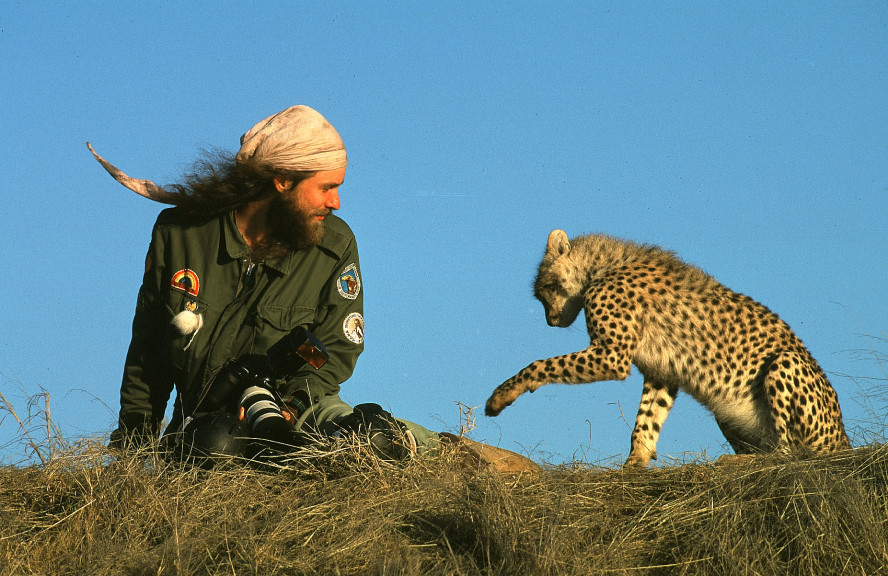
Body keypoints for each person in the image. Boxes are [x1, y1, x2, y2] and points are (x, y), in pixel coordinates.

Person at [90, 105, 538, 472]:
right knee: (214, 450)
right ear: (282, 180)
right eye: (326, 187)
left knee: (372, 440)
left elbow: (339, 349)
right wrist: (132, 449)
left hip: (299, 409)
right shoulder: (179, 234)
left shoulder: (335, 246)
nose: (335, 202)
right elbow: (148, 351)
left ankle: (460, 458)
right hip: (208, 426)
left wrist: (288, 404)